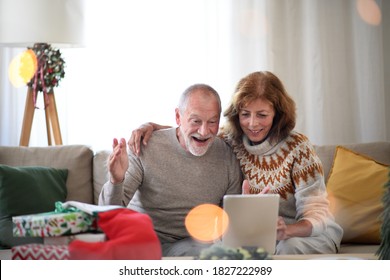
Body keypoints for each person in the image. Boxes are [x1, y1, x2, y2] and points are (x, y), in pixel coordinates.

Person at [128, 71, 344, 255]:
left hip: (306, 233)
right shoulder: (232, 140)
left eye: (262, 115)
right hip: (261, 235)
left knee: (286, 248)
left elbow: (318, 213)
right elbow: (196, 130)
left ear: (277, 114)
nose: (252, 124)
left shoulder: (299, 147)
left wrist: (287, 230)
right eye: (245, 114)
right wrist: (152, 126)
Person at [99, 84, 243, 257]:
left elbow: (231, 223)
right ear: (178, 117)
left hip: (192, 245)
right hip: (143, 239)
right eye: (196, 121)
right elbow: (108, 214)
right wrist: (116, 180)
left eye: (212, 122)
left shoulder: (227, 156)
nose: (204, 131)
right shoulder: (145, 146)